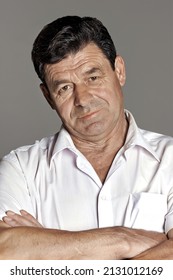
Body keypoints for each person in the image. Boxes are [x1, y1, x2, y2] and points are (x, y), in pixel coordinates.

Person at [0, 15, 172, 260]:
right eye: (65, 88)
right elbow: (4, 251)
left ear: (119, 71)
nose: (83, 99)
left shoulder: (170, 159)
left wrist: (48, 250)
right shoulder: (21, 170)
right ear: (48, 97)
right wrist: (123, 240)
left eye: (93, 78)